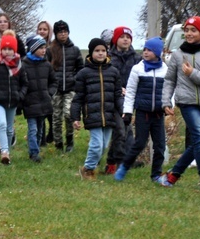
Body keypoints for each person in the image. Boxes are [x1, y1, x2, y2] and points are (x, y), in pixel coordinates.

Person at [157, 16, 200, 191]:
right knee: (199, 139)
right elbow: (169, 80)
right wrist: (165, 101)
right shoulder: (178, 55)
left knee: (198, 143)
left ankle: (172, 176)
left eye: (193, 30)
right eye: (186, 30)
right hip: (186, 102)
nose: (189, 34)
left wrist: (192, 73)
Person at [114, 37, 168, 182]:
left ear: (157, 52)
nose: (145, 52)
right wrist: (128, 111)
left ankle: (156, 174)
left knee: (160, 146)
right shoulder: (137, 69)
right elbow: (130, 91)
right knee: (139, 143)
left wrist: (169, 105)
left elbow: (169, 90)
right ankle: (124, 167)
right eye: (144, 49)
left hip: (158, 114)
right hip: (143, 113)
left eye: (149, 50)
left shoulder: (165, 70)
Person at [71, 38, 124, 180]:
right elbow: (78, 98)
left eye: (103, 51)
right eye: (97, 51)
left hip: (109, 115)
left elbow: (117, 95)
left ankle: (90, 168)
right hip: (92, 115)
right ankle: (87, 169)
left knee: (104, 146)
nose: (100, 54)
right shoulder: (84, 73)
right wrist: (75, 117)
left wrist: (124, 110)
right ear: (91, 53)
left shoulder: (113, 72)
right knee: (96, 145)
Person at [0, 30, 28, 165]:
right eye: (5, 49)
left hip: (12, 101)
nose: (7, 52)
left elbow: (25, 83)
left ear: (14, 50)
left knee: (9, 128)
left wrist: (19, 96)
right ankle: (5, 152)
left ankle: (6, 150)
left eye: (10, 49)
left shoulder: (19, 66)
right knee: (1, 124)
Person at [104, 26, 141, 174]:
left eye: (128, 37)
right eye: (122, 36)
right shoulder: (108, 57)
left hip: (129, 99)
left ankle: (115, 161)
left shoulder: (137, 58)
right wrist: (118, 88)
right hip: (112, 98)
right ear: (115, 39)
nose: (125, 39)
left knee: (127, 131)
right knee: (120, 130)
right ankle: (120, 162)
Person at [47, 20, 83, 153]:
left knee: (68, 114)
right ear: (56, 34)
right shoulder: (50, 50)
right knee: (56, 117)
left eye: (65, 32)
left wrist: (74, 79)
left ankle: (70, 140)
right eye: (60, 32)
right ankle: (58, 143)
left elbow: (80, 68)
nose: (63, 34)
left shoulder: (75, 50)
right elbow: (47, 68)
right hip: (56, 89)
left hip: (70, 88)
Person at [21, 34, 57, 163]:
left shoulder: (47, 65)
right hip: (30, 103)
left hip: (43, 102)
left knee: (40, 128)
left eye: (44, 47)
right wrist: (23, 97)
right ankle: (34, 152)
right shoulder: (23, 65)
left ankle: (35, 149)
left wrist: (50, 93)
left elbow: (54, 81)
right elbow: (20, 82)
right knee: (33, 129)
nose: (44, 50)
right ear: (33, 48)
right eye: (41, 48)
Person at [36, 21, 54, 145]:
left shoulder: (52, 47)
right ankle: (41, 138)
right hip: (38, 82)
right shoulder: (33, 46)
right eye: (40, 29)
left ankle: (51, 132)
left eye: (45, 29)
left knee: (51, 113)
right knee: (40, 113)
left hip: (49, 82)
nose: (42, 31)